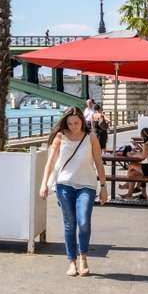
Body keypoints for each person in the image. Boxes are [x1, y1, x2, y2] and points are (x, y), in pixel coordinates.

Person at [38, 107, 108, 277]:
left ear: (82, 121)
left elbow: (99, 163)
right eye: (70, 123)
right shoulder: (60, 137)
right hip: (64, 184)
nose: (73, 126)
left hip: (87, 185)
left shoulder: (91, 137)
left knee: (83, 222)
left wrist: (104, 187)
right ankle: (71, 262)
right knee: (70, 224)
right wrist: (44, 184)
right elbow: (51, 162)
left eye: (76, 123)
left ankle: (83, 257)